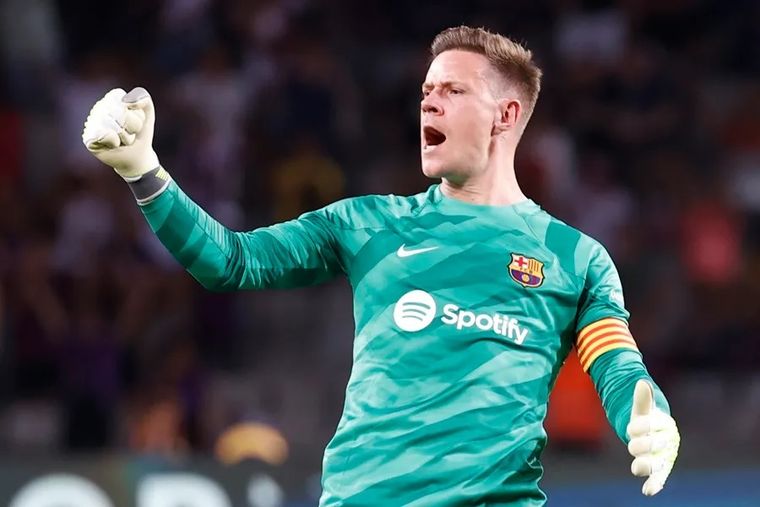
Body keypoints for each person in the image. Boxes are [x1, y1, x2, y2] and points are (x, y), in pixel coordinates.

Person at [82, 25, 679, 507]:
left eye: (453, 91)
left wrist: (650, 416)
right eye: (426, 91)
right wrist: (144, 171)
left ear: (505, 115)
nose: (429, 101)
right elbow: (230, 261)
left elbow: (617, 364)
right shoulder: (368, 224)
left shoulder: (574, 257)